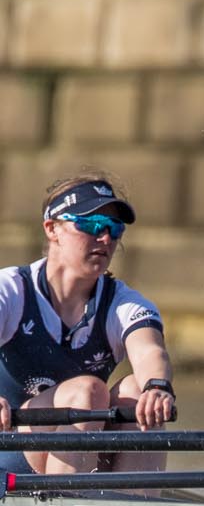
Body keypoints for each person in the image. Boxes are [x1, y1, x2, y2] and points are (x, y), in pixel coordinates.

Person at [0, 171, 176, 477]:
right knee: (89, 392)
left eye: (113, 228)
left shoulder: (124, 303)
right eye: (90, 224)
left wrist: (158, 387)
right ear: (52, 228)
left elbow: (150, 351)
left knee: (138, 390)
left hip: (80, 450)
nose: (105, 238)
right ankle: (68, 505)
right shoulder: (11, 289)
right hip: (9, 449)